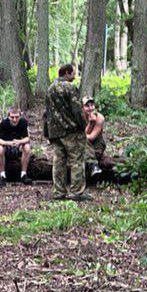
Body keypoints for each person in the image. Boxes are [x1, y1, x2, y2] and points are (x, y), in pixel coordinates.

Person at [44, 63, 87, 200]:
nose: (75, 76)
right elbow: (77, 109)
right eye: (74, 73)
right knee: (76, 160)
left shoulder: (50, 89)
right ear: (67, 73)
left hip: (55, 132)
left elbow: (47, 113)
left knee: (59, 162)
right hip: (71, 131)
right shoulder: (70, 87)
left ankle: (59, 191)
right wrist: (83, 125)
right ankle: (76, 192)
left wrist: (48, 132)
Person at [0, 107, 32, 186]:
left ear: (20, 116)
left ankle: (23, 174)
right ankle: (2, 176)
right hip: (6, 146)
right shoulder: (3, 123)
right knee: (0, 149)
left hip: (18, 146)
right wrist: (8, 143)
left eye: (17, 117)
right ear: (8, 116)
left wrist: (19, 142)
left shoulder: (24, 122)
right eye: (12, 117)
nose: (14, 120)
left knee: (27, 147)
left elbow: (28, 138)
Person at [83, 97, 107, 175]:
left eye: (92, 105)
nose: (90, 108)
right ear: (82, 107)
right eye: (87, 106)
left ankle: (93, 165)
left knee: (82, 140)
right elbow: (84, 134)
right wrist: (90, 124)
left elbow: (92, 137)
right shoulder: (80, 117)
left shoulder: (100, 118)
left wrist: (78, 137)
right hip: (83, 146)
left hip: (96, 147)